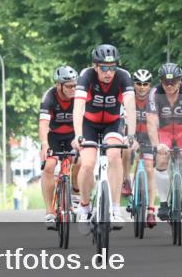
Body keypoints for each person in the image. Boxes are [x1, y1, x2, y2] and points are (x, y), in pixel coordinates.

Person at [72, 44, 137, 230]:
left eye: (113, 68)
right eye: (104, 68)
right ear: (95, 66)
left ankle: (116, 209)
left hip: (113, 123)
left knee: (115, 155)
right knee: (87, 164)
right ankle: (84, 207)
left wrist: (131, 134)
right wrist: (78, 135)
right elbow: (78, 108)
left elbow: (130, 106)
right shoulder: (86, 76)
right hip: (89, 124)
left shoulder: (123, 77)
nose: (109, 73)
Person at [146, 63, 182, 221]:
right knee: (161, 159)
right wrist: (157, 145)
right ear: (160, 81)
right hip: (164, 131)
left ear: (180, 80)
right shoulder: (154, 92)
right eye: (165, 82)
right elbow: (151, 121)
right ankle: (163, 203)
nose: (169, 86)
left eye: (174, 82)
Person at [38, 65, 78, 229]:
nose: (73, 89)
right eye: (69, 86)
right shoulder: (49, 97)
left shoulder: (79, 97)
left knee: (80, 161)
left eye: (75, 85)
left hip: (73, 135)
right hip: (53, 136)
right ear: (58, 85)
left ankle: (75, 192)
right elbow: (43, 124)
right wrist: (44, 145)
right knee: (49, 166)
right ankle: (50, 212)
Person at [126, 68, 158, 228]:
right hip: (131, 136)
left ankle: (151, 210)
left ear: (149, 85)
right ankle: (126, 181)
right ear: (134, 84)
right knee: (125, 152)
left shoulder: (154, 99)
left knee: (150, 169)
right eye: (138, 83)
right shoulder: (128, 98)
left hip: (148, 138)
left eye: (145, 84)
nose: (142, 87)